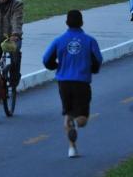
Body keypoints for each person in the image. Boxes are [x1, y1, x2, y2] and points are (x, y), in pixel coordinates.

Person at [42, 10, 102, 158]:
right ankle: (76, 120)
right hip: (81, 82)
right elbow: (98, 60)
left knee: (67, 114)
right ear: (82, 22)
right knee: (82, 120)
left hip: (64, 82)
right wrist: (92, 69)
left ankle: (72, 148)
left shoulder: (59, 41)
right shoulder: (89, 41)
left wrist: (56, 66)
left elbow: (46, 59)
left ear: (66, 23)